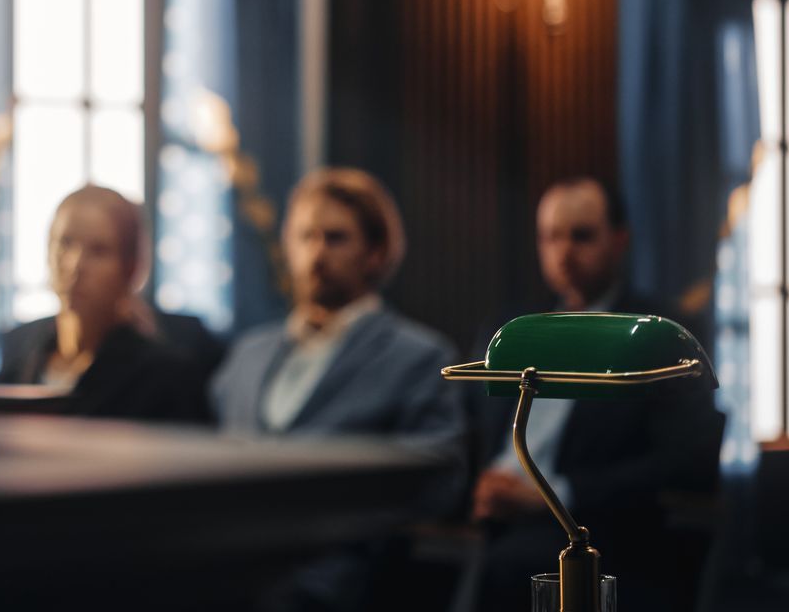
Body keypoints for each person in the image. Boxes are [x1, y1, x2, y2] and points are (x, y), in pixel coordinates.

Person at [211, 167, 465, 611]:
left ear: (375, 252)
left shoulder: (419, 356)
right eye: (305, 237)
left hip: (335, 575)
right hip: (226, 566)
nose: (317, 253)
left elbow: (439, 477)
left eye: (335, 238)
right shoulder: (247, 354)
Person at [469, 177, 723, 612]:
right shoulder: (512, 332)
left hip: (599, 529)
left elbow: (688, 458)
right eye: (551, 237)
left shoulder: (656, 335)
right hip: (493, 521)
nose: (564, 252)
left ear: (619, 240)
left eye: (581, 236)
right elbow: (469, 430)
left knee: (507, 568)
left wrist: (558, 492)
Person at [0, 185, 215, 422]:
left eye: (99, 251)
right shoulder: (20, 356)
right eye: (64, 243)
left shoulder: (167, 379)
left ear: (131, 268)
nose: (75, 265)